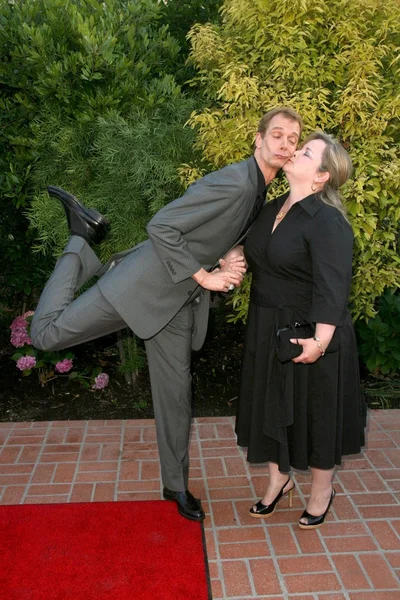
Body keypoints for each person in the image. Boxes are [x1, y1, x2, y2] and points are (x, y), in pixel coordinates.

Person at [30, 107, 303, 522]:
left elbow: (215, 230)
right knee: (45, 336)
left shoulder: (256, 189)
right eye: (278, 135)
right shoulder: (236, 182)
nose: (285, 144)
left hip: (177, 302)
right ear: (258, 139)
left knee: (176, 396)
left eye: (292, 139)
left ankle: (174, 484)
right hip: (139, 287)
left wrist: (229, 255)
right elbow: (163, 225)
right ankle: (80, 241)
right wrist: (205, 277)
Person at [235, 131, 366, 530]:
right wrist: (230, 256)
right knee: (271, 405)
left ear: (322, 176)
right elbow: (246, 245)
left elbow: (333, 286)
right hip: (266, 324)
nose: (294, 150)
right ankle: (279, 478)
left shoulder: (327, 221)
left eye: (306, 151)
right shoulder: (272, 205)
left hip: (309, 331)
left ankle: (322, 491)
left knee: (315, 412)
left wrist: (320, 342)